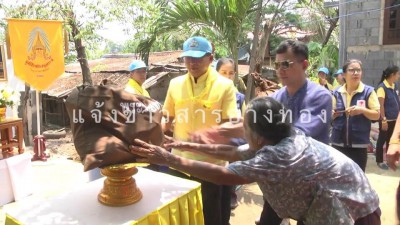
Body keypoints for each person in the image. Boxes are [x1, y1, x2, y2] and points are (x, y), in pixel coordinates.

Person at [131, 96, 381, 225]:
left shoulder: (280, 155)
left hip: (354, 212)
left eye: (244, 125)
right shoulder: (280, 139)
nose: (241, 129)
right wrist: (181, 145)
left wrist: (167, 159)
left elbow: (224, 174)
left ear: (258, 134)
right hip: (328, 210)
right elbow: (232, 153)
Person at [192, 40, 333, 225]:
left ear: (304, 64)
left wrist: (241, 135)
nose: (280, 70)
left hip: (311, 184)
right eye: (277, 65)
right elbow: (252, 133)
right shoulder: (276, 98)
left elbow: (298, 138)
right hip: (279, 180)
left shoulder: (320, 97)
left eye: (286, 64)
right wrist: (217, 137)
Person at [162, 36, 239, 225]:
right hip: (178, 163)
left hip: (210, 166)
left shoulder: (225, 86)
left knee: (212, 217)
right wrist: (159, 132)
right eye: (188, 57)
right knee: (181, 216)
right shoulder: (175, 84)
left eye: (197, 57)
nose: (192, 62)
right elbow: (167, 117)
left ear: (210, 58)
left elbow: (232, 123)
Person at [331, 59, 380, 172]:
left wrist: (362, 110)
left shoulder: (368, 92)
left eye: (358, 70)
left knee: (357, 178)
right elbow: (329, 115)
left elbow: (377, 115)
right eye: (352, 70)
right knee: (338, 177)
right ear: (344, 74)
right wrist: (333, 115)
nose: (356, 73)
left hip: (359, 144)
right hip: (338, 143)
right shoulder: (336, 92)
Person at [215, 57, 246, 210]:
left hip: (233, 143)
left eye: (231, 73)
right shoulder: (210, 95)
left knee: (230, 175)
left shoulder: (239, 97)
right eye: (224, 72)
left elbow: (244, 120)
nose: (227, 76)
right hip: (213, 144)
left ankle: (231, 197)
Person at [375, 65, 400, 170]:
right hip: (386, 120)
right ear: (392, 75)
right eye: (398, 74)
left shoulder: (394, 86)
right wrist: (383, 120)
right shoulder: (382, 87)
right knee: (382, 140)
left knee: (391, 140)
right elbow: (381, 105)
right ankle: (379, 161)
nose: (398, 76)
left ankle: (390, 160)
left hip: (394, 119)